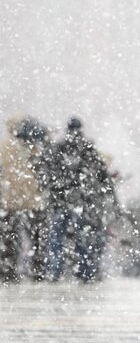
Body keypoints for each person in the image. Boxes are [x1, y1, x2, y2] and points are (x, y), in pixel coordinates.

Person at [39, 117, 114, 283]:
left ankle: (54, 271)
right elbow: (99, 172)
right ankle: (84, 272)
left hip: (60, 200)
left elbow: (47, 172)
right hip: (80, 201)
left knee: (56, 239)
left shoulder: (58, 147)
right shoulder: (86, 147)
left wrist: (55, 188)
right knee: (82, 238)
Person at [0, 117, 48, 282]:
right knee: (36, 238)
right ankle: (38, 271)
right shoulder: (35, 148)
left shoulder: (4, 147)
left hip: (9, 201)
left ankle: (8, 270)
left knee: (10, 238)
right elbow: (42, 174)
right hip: (32, 201)